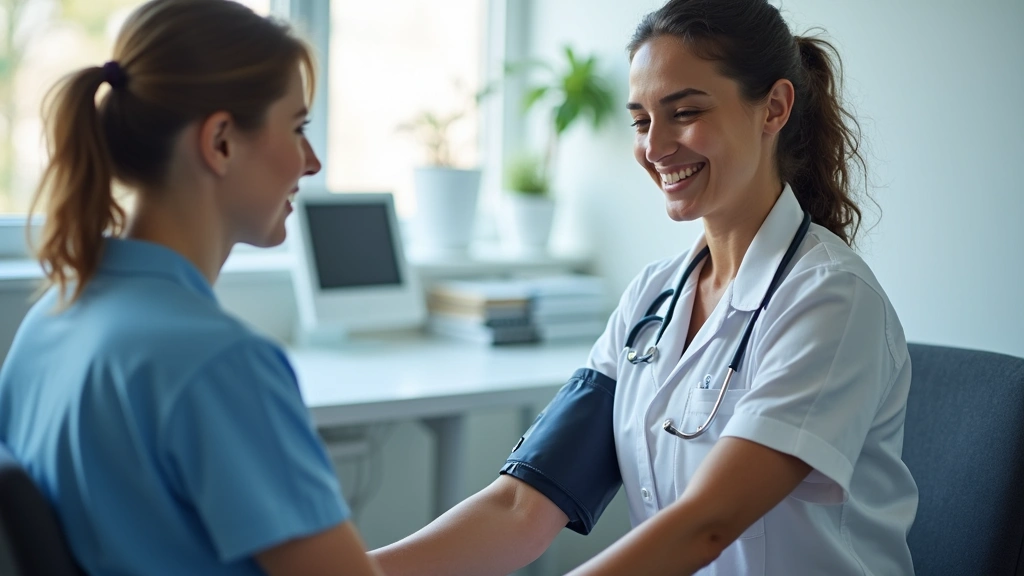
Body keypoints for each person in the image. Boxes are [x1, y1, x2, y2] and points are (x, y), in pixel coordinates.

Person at [370, 0, 917, 574]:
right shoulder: (652, 300)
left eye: (683, 112)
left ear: (774, 108)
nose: (655, 147)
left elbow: (706, 525)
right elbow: (520, 507)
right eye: (640, 120)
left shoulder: (830, 299)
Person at [0, 1, 383, 575]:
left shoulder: (54, 318)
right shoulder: (222, 364)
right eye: (298, 128)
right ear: (221, 141)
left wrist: (521, 511)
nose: (312, 161)